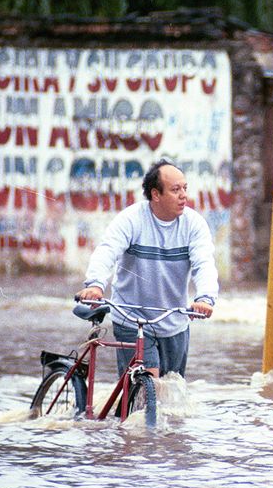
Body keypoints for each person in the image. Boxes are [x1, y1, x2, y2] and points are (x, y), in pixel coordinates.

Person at [79, 158, 218, 379]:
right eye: (175, 190)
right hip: (131, 318)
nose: (183, 195)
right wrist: (95, 285)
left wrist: (205, 299)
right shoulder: (131, 219)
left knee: (171, 393)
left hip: (174, 323)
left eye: (185, 188)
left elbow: (204, 264)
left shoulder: (194, 224)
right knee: (147, 384)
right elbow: (107, 251)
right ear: (156, 194)